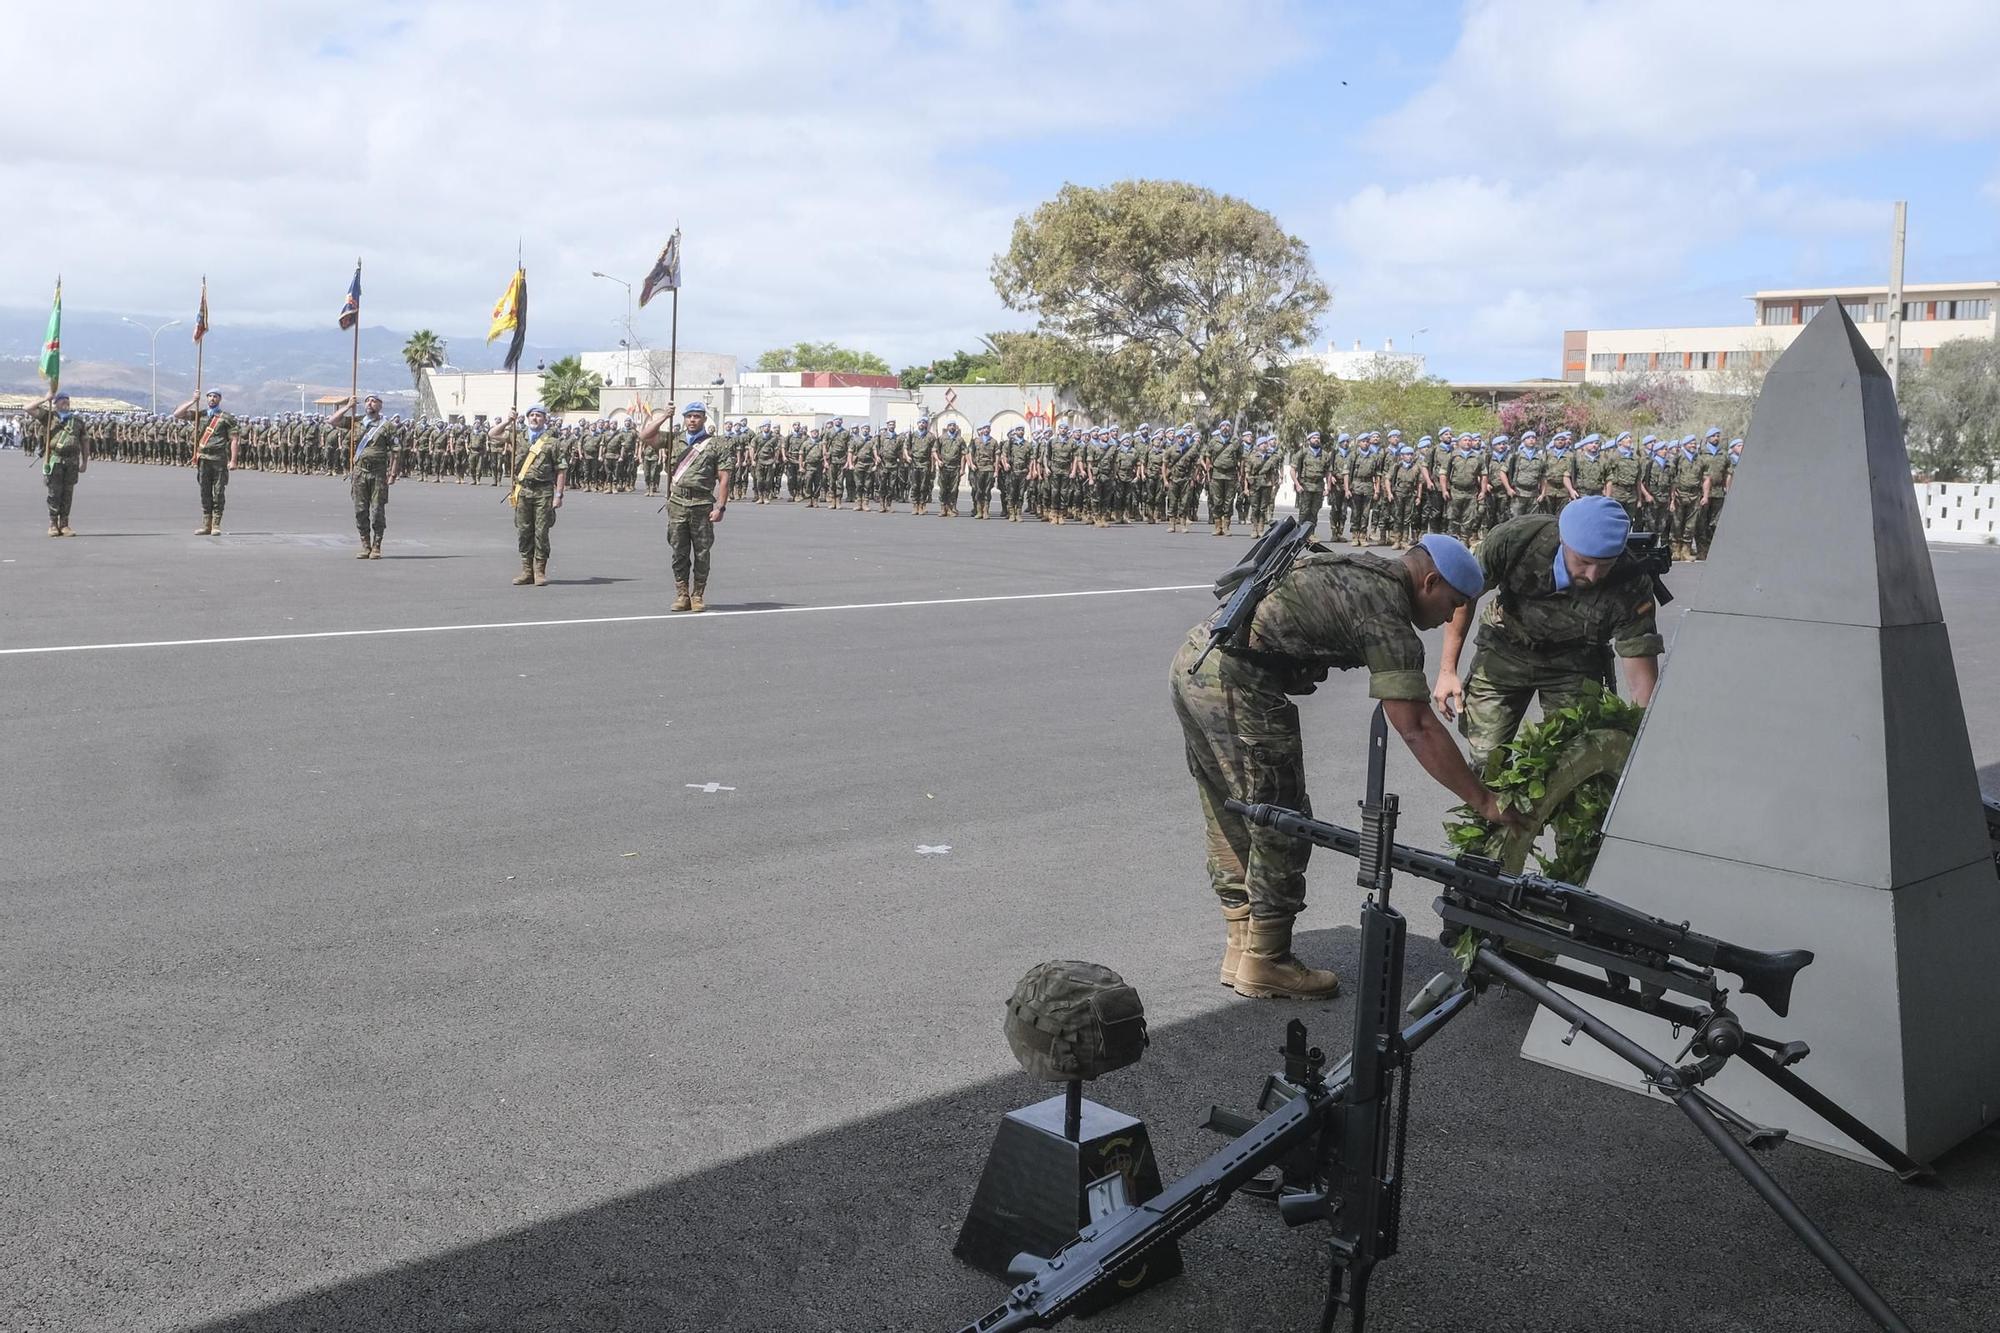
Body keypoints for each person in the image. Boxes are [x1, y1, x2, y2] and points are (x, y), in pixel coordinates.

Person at [1170, 534, 1523, 1000]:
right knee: (1281, 820)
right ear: (1430, 580)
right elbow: (1415, 724)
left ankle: (1242, 947)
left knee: (1231, 809)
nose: (1445, 620)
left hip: (1194, 663)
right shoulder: (1385, 612)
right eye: (1451, 604)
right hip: (1239, 684)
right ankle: (1267, 961)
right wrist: (1484, 800)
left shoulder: (1362, 568)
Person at [1431, 496, 1664, 774]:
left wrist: (1637, 744)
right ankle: (1492, 815)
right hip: (1505, 649)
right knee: (1486, 762)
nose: (1592, 575)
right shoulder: (1518, 539)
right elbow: (1463, 593)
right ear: (1564, 541)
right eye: (1584, 561)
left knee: (1575, 765)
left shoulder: (1631, 584)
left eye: (1604, 565)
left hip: (1575, 663)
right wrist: (1447, 669)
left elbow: (1642, 683)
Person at [641, 400, 731, 612]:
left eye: (697, 416)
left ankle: (698, 595)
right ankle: (682, 594)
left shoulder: (717, 444)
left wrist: (721, 506)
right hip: (677, 503)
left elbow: (724, 477)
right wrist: (664, 415)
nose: (692, 420)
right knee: (679, 551)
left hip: (702, 503)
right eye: (689, 416)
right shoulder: (673, 440)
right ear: (683, 418)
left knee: (702, 553)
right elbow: (645, 436)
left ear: (704, 419)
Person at [496, 405, 567, 585]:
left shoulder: (553, 442)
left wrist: (558, 495)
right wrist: (508, 420)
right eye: (532, 415)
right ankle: (527, 571)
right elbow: (493, 435)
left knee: (541, 531)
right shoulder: (518, 437)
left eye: (539, 415)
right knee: (524, 530)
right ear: (527, 418)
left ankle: (539, 571)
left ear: (544, 419)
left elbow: (561, 469)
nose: (535, 418)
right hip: (523, 490)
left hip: (544, 491)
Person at [328, 392, 400, 558]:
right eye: (367, 401)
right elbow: (332, 421)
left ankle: (377, 546)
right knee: (360, 510)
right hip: (360, 472)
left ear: (380, 405)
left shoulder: (386, 426)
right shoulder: (356, 421)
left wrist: (393, 473)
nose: (369, 403)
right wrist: (348, 406)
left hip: (378, 474)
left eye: (374, 401)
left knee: (377, 511)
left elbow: (396, 452)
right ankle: (365, 544)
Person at [172, 389, 239, 535]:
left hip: (219, 460)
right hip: (203, 459)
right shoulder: (200, 414)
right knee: (204, 492)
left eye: (215, 396)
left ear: (220, 399)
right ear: (207, 399)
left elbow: (234, 439)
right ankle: (206, 525)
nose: (212, 399)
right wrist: (193, 400)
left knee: (218, 492)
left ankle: (216, 525)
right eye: (210, 396)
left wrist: (233, 460)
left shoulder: (226, 418)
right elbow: (177, 414)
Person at [29, 391, 88, 535]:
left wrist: (85, 461)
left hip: (72, 462)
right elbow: (28, 408)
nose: (65, 402)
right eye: (62, 400)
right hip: (55, 460)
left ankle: (65, 524)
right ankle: (53, 524)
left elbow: (85, 441)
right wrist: (45, 398)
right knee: (54, 493)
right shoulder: (49, 417)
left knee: (68, 493)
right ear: (55, 403)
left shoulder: (78, 421)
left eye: (67, 400)